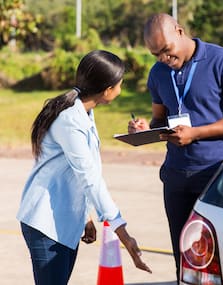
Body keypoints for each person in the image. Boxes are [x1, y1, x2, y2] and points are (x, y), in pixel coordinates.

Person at [128, 13, 223, 283]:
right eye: (156, 54)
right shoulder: (158, 73)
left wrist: (197, 133)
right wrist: (144, 130)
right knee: (183, 262)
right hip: (175, 178)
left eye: (166, 50)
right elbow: (160, 120)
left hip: (216, 176)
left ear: (180, 31)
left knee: (219, 262)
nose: (163, 58)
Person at [17, 50, 152, 285]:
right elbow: (90, 178)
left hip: (65, 220)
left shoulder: (85, 112)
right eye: (120, 85)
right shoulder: (70, 120)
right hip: (46, 223)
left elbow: (78, 172)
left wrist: (85, 216)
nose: (121, 89)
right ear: (107, 89)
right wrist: (124, 235)